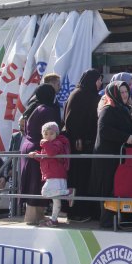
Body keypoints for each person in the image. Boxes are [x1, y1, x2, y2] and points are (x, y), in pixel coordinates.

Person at [63, 68, 103, 222]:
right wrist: (78, 138)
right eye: (98, 80)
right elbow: (72, 121)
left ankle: (83, 211)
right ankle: (78, 212)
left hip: (84, 146)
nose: (100, 83)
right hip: (80, 147)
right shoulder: (81, 95)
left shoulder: (85, 94)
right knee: (81, 180)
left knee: (83, 180)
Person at [96, 81, 132, 224]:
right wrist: (125, 137)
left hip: (120, 156)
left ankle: (122, 219)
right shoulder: (108, 109)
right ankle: (108, 220)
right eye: (121, 92)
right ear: (114, 94)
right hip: (108, 157)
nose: (125, 95)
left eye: (126, 91)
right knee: (109, 187)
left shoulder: (125, 108)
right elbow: (104, 130)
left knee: (120, 186)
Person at [19, 83, 62, 227]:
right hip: (39, 148)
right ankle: (32, 217)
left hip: (28, 146)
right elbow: (52, 130)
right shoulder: (47, 110)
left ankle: (37, 215)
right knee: (36, 183)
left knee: (34, 182)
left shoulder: (34, 107)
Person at [30, 121, 73, 227]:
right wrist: (36, 155)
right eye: (46, 134)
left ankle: (68, 192)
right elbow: (46, 158)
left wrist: (44, 143)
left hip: (55, 174)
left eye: (51, 133)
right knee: (56, 200)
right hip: (53, 174)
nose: (48, 136)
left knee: (45, 192)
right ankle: (54, 219)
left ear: (56, 134)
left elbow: (51, 153)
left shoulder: (57, 143)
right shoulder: (49, 145)